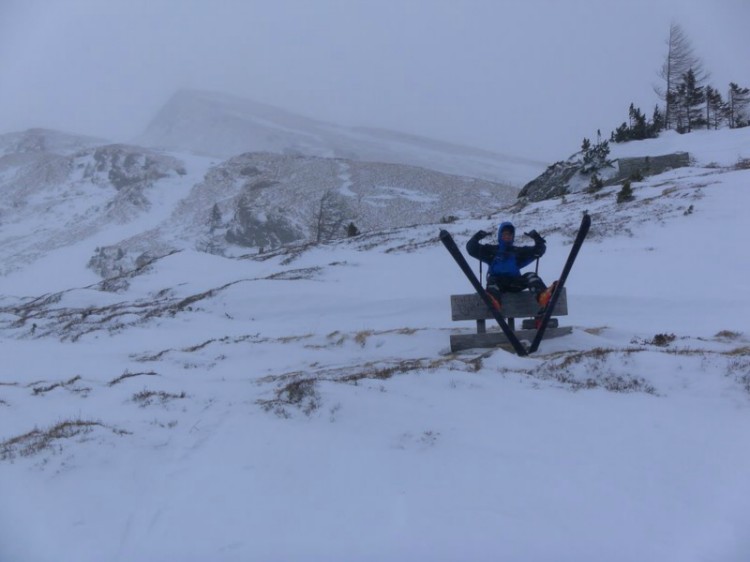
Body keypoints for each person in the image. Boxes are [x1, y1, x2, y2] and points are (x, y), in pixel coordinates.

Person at [466, 221, 557, 314]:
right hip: (498, 284)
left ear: (513, 236)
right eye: (505, 234)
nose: (507, 236)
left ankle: (542, 296)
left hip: (515, 283)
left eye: (510, 234)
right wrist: (477, 237)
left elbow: (538, 251)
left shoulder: (517, 251)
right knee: (492, 280)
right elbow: (471, 248)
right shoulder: (491, 250)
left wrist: (537, 239)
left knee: (531, 276)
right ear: (500, 235)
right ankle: (494, 302)